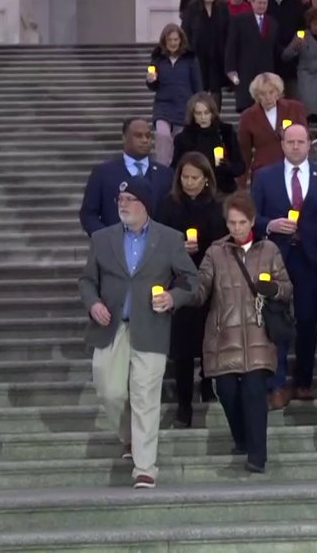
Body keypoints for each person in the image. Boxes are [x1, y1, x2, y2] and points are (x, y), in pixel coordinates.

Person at [78, 177, 199, 489]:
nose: (122, 204)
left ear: (144, 204)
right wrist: (93, 304)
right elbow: (87, 281)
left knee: (145, 396)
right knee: (110, 391)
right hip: (111, 327)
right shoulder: (102, 239)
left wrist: (172, 297)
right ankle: (129, 436)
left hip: (151, 327)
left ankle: (145, 467)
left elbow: (192, 280)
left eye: (129, 199)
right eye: (120, 199)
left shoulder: (169, 239)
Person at [190, 191, 292, 473]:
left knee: (255, 392)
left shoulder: (269, 250)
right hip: (224, 334)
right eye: (232, 223)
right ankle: (242, 439)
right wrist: (182, 288)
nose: (236, 228)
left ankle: (257, 456)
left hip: (259, 333)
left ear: (253, 221)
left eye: (242, 222)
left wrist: (275, 289)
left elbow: (287, 288)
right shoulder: (215, 252)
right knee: (227, 392)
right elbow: (200, 289)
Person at [251, 124, 317, 408]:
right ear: (282, 144)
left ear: (309, 144)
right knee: (275, 320)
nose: (295, 146)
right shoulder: (265, 177)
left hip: (311, 260)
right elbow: (252, 216)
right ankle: (276, 384)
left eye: (301, 142)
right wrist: (270, 224)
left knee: (308, 320)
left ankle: (303, 381)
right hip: (276, 258)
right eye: (290, 142)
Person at [154, 152, 228, 427]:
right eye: (185, 177)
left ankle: (208, 384)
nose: (189, 182)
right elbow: (157, 240)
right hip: (180, 281)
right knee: (183, 346)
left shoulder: (218, 205)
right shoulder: (168, 204)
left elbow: (225, 241)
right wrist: (177, 249)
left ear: (206, 179)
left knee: (210, 338)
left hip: (211, 278)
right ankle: (184, 404)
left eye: (195, 178)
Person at [79, 118, 174, 236]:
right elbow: (88, 214)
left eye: (148, 136)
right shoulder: (103, 173)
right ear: (124, 138)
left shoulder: (166, 174)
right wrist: (106, 238)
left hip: (156, 244)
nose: (145, 140)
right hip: (113, 245)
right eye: (138, 136)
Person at [145, 24, 201, 167]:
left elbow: (197, 85)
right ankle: (162, 168)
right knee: (162, 135)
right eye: (170, 40)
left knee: (179, 142)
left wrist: (199, 104)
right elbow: (153, 86)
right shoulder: (158, 59)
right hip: (163, 106)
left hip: (183, 106)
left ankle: (177, 170)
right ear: (164, 41)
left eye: (176, 39)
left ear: (181, 40)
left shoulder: (190, 59)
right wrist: (151, 80)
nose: (173, 43)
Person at [237, 73, 308, 184]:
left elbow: (306, 138)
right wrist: (241, 183)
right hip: (263, 172)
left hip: (291, 170)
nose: (268, 98)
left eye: (271, 92)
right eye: (263, 94)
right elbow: (244, 151)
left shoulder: (294, 108)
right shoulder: (248, 116)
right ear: (257, 96)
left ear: (278, 92)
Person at [282, 6, 317, 139]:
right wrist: (295, 45)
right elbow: (285, 56)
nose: (316, 27)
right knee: (306, 111)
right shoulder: (301, 36)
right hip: (306, 78)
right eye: (314, 24)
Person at [172, 93, 244, 194]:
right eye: (198, 113)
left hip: (222, 189)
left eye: (206, 113)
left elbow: (240, 166)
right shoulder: (183, 138)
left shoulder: (225, 133)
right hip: (194, 191)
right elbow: (175, 168)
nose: (203, 117)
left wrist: (226, 167)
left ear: (212, 113)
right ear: (192, 115)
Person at [225, 0, 278, 112]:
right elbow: (231, 46)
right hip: (245, 71)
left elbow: (274, 49)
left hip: (266, 71)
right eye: (259, 3)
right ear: (252, 3)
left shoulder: (272, 22)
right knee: (247, 108)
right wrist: (230, 69)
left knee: (265, 107)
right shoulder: (239, 20)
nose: (262, 5)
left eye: (264, 3)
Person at [181, 0, 230, 109]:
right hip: (198, 55)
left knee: (216, 88)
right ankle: (199, 113)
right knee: (199, 87)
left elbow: (228, 30)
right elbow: (185, 31)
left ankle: (215, 116)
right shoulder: (192, 8)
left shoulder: (222, 8)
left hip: (217, 55)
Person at [266, 0, 305, 95]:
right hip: (270, 56)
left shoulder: (295, 2)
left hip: (291, 55)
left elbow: (301, 26)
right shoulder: (265, 1)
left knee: (291, 94)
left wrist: (298, 40)